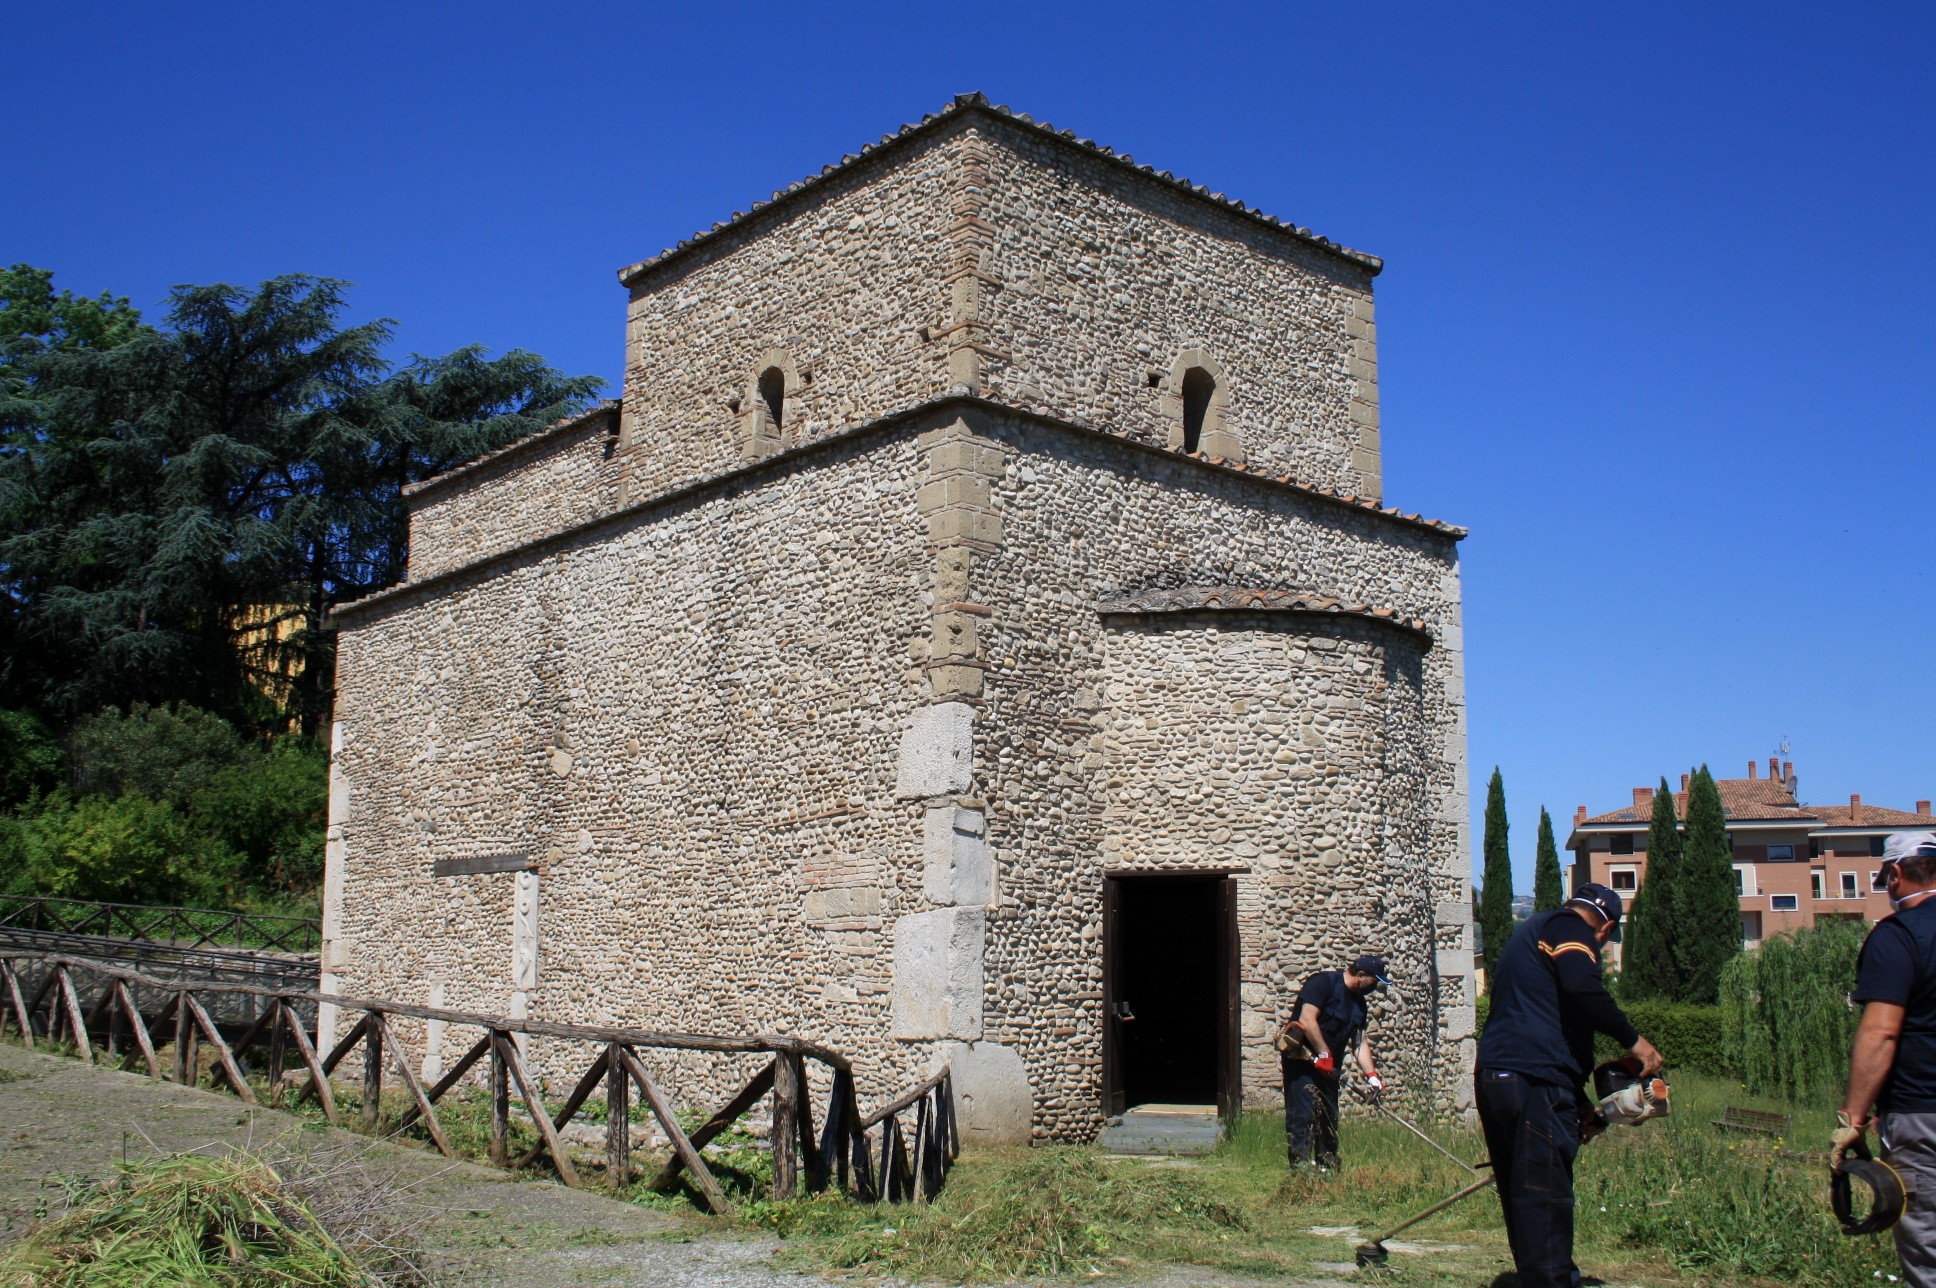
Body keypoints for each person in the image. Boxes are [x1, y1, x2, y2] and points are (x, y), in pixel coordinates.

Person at [1474, 883, 1662, 1288]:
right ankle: (1553, 1281)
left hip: (1501, 1075)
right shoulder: (1569, 928)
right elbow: (1581, 988)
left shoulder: (1531, 933)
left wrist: (1578, 1102)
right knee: (1546, 1191)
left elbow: (1543, 1023)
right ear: (1605, 927)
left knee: (1523, 1190)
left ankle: (1536, 1277)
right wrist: (1635, 1041)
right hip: (1534, 1080)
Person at [1834, 830, 1936, 1286]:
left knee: (1929, 1245)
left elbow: (1882, 1031)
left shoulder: (1898, 936)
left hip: (1922, 1111)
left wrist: (1853, 1117)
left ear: (1895, 874)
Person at [1277, 954, 1388, 1168]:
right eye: (1374, 982)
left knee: (1329, 1117)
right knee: (1304, 1114)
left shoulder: (1359, 1005)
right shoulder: (1322, 984)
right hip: (1303, 1062)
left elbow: (1359, 1042)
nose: (1375, 988)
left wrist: (1372, 1076)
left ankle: (1326, 1165)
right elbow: (1307, 1019)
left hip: (1328, 1069)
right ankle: (1300, 1170)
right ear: (1361, 975)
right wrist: (1323, 1053)